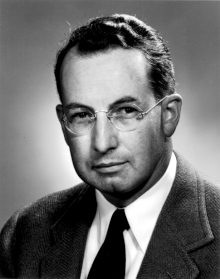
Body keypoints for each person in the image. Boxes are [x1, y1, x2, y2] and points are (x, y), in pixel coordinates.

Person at [0, 14, 220, 279]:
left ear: (168, 115)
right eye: (82, 115)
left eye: (126, 110)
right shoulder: (23, 236)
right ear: (63, 123)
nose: (102, 143)